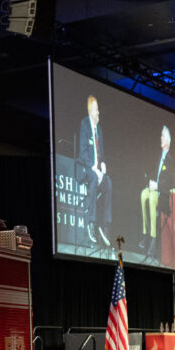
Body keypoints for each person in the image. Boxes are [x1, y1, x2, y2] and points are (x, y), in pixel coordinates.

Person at [76, 95, 113, 248]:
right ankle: (91, 223)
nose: (99, 113)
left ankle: (105, 226)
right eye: (96, 110)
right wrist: (95, 169)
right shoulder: (84, 125)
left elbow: (102, 154)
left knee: (108, 183)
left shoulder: (99, 130)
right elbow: (83, 153)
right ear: (91, 111)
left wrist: (103, 164)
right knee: (93, 179)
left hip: (97, 170)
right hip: (86, 169)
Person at [138, 125, 173, 262]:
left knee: (152, 198)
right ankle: (145, 233)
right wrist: (151, 183)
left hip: (162, 194)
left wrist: (157, 186)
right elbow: (154, 173)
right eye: (161, 135)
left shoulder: (170, 159)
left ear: (168, 140)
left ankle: (153, 239)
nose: (160, 138)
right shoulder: (159, 155)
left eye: (163, 136)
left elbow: (170, 182)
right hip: (154, 188)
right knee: (143, 195)